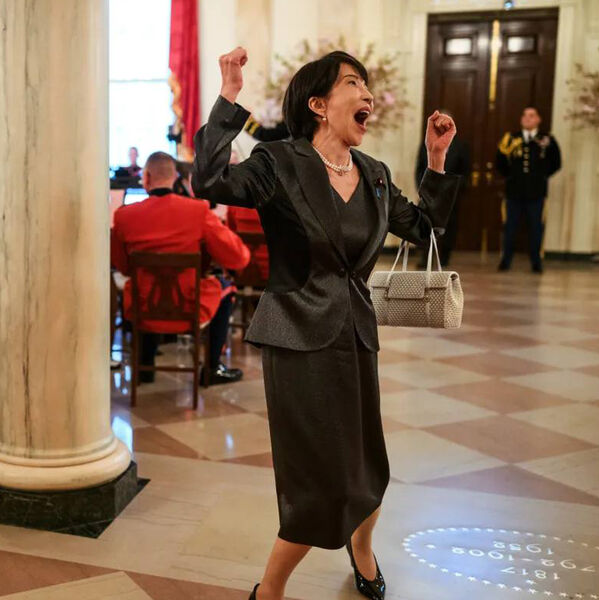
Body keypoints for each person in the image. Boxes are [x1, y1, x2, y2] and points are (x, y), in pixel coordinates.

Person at [192, 47, 460, 600]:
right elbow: (209, 181)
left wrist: (435, 159)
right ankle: (270, 588)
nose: (368, 95)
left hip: (356, 334)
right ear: (318, 104)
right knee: (315, 476)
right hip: (296, 335)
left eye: (367, 85)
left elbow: (427, 227)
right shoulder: (276, 162)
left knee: (366, 463)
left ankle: (363, 551)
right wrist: (229, 95)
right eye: (354, 83)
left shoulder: (375, 175)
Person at [111, 151, 250, 385]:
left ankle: (145, 368)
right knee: (226, 288)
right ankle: (212, 368)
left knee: (143, 285)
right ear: (175, 178)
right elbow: (238, 258)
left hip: (141, 307)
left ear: (146, 177)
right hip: (188, 307)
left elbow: (123, 268)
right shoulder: (198, 211)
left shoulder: (124, 216)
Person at [495, 106, 561, 273]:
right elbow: (500, 162)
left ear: (538, 119)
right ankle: (505, 260)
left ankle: (536, 262)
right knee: (510, 227)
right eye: (524, 115)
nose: (527, 118)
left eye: (531, 115)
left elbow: (556, 163)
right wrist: (511, 176)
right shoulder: (511, 138)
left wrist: (541, 176)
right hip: (514, 192)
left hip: (536, 193)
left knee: (536, 228)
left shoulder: (547, 139)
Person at [415, 118, 470, 267]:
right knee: (425, 223)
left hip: (451, 194)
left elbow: (465, 171)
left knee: (450, 226)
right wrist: (422, 188)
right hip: (429, 192)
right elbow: (419, 167)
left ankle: (445, 257)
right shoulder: (426, 143)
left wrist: (456, 189)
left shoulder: (461, 146)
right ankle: (425, 257)